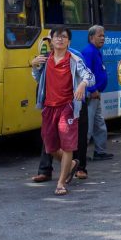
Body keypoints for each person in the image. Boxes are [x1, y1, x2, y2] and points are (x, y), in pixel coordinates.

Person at [31, 27, 94, 195]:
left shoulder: (74, 59)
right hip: (49, 108)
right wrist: (34, 66)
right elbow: (38, 79)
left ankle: (61, 183)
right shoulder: (45, 60)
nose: (60, 39)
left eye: (63, 37)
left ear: (69, 41)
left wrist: (82, 84)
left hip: (68, 107)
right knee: (50, 147)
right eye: (56, 37)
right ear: (51, 40)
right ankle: (72, 165)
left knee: (67, 145)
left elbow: (90, 77)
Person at [82, 25, 112, 162]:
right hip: (91, 94)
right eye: (100, 36)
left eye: (103, 36)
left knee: (99, 124)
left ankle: (100, 151)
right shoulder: (89, 51)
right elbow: (86, 73)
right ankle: (80, 155)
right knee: (87, 127)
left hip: (96, 94)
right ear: (91, 37)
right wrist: (92, 90)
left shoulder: (96, 51)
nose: (103, 38)